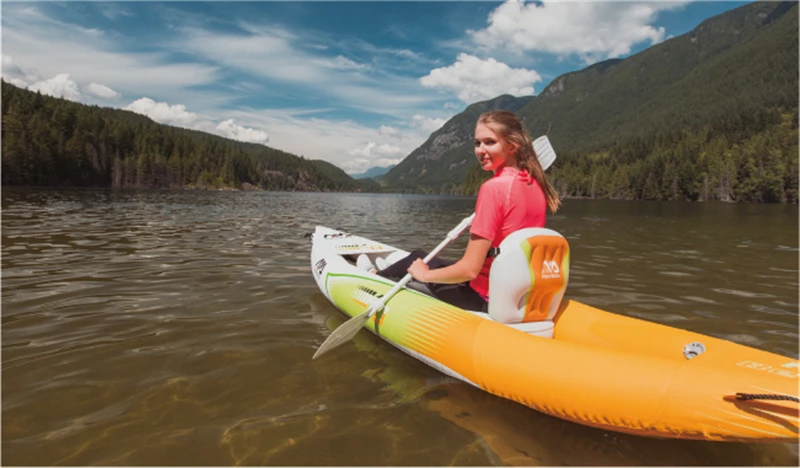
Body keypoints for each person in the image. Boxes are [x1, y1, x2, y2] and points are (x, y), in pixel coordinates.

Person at [358, 110, 561, 311]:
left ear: (512, 146)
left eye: (490, 142)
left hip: (484, 295)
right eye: (477, 143)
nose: (480, 150)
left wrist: (425, 275)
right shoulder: (536, 186)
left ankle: (373, 278)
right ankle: (385, 270)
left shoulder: (494, 188)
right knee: (423, 256)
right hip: (516, 291)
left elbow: (470, 270)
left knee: (416, 259)